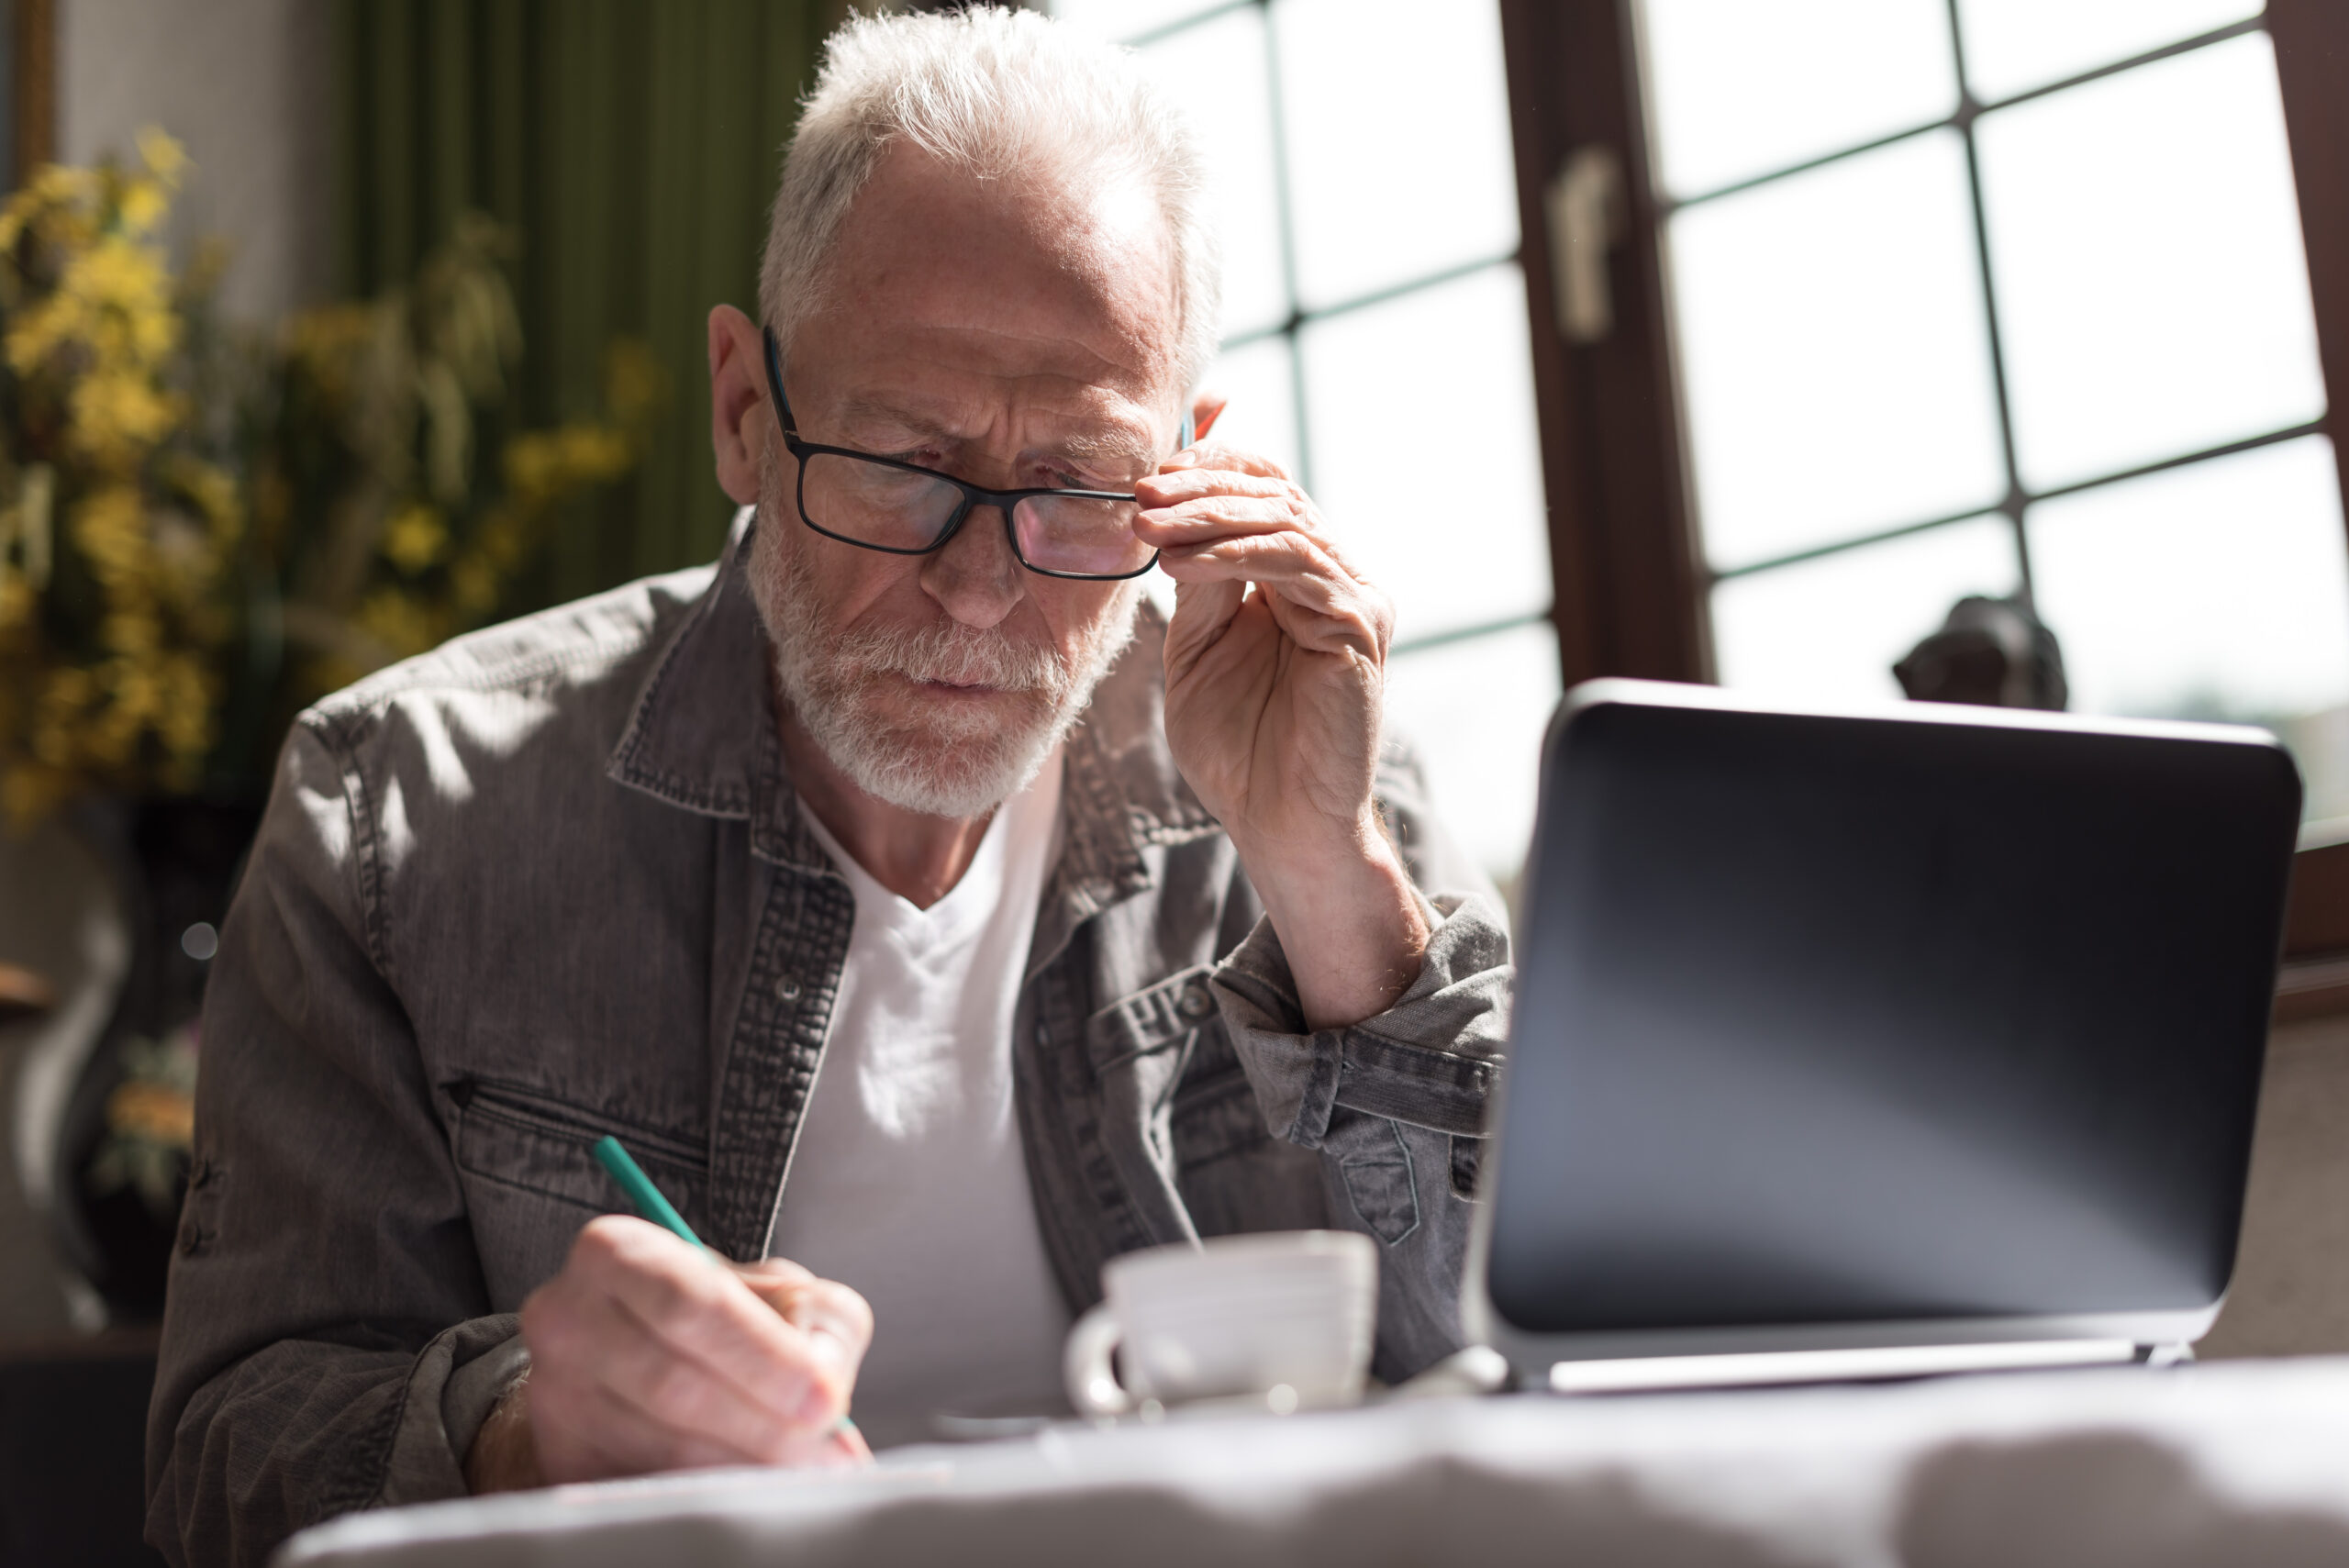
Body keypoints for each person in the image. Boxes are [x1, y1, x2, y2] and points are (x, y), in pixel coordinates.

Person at [145, 10, 1511, 1565]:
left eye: (1073, 483)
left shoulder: (1296, 744)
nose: (983, 590)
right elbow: (220, 1473)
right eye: (903, 464)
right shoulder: (391, 814)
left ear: (1187, 467)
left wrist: (1327, 873)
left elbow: (1529, 1356)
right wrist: (528, 1432)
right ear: (745, 408)